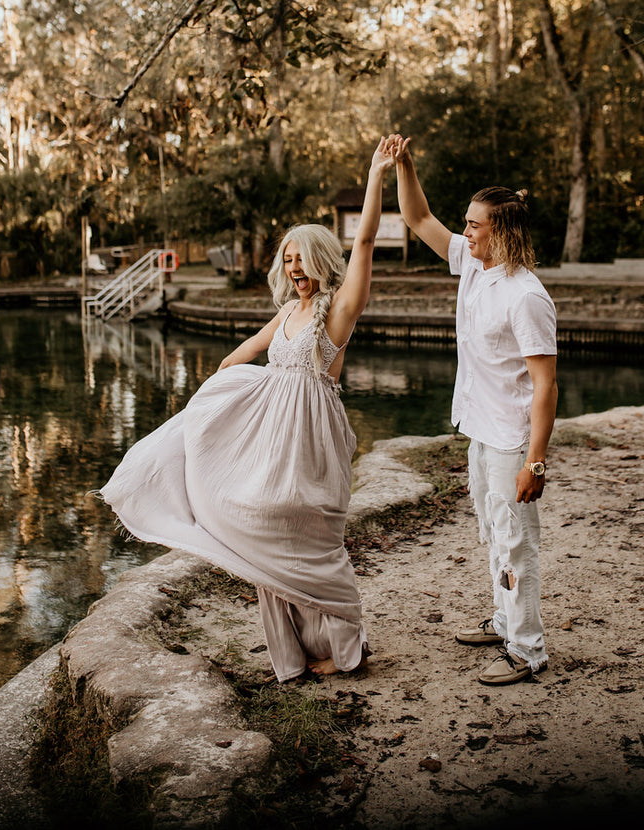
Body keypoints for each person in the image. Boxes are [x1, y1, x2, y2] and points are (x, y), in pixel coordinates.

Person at [98, 139, 395, 682]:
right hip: (268, 442)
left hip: (312, 440)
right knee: (257, 527)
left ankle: (349, 646)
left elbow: (368, 240)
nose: (295, 268)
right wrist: (208, 401)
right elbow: (245, 354)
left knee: (315, 537)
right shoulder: (286, 311)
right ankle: (296, 655)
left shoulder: (337, 312)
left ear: (323, 261)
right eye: (288, 259)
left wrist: (376, 174)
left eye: (301, 258)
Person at [388, 134, 558, 686]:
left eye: (473, 225)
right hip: (480, 430)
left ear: (500, 231)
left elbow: (546, 385)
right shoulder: (473, 265)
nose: (463, 232)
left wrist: (535, 463)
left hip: (512, 437)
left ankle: (527, 650)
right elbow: (417, 216)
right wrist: (406, 163)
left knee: (517, 542)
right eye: (464, 223)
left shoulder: (525, 296)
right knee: (493, 530)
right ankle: (505, 623)